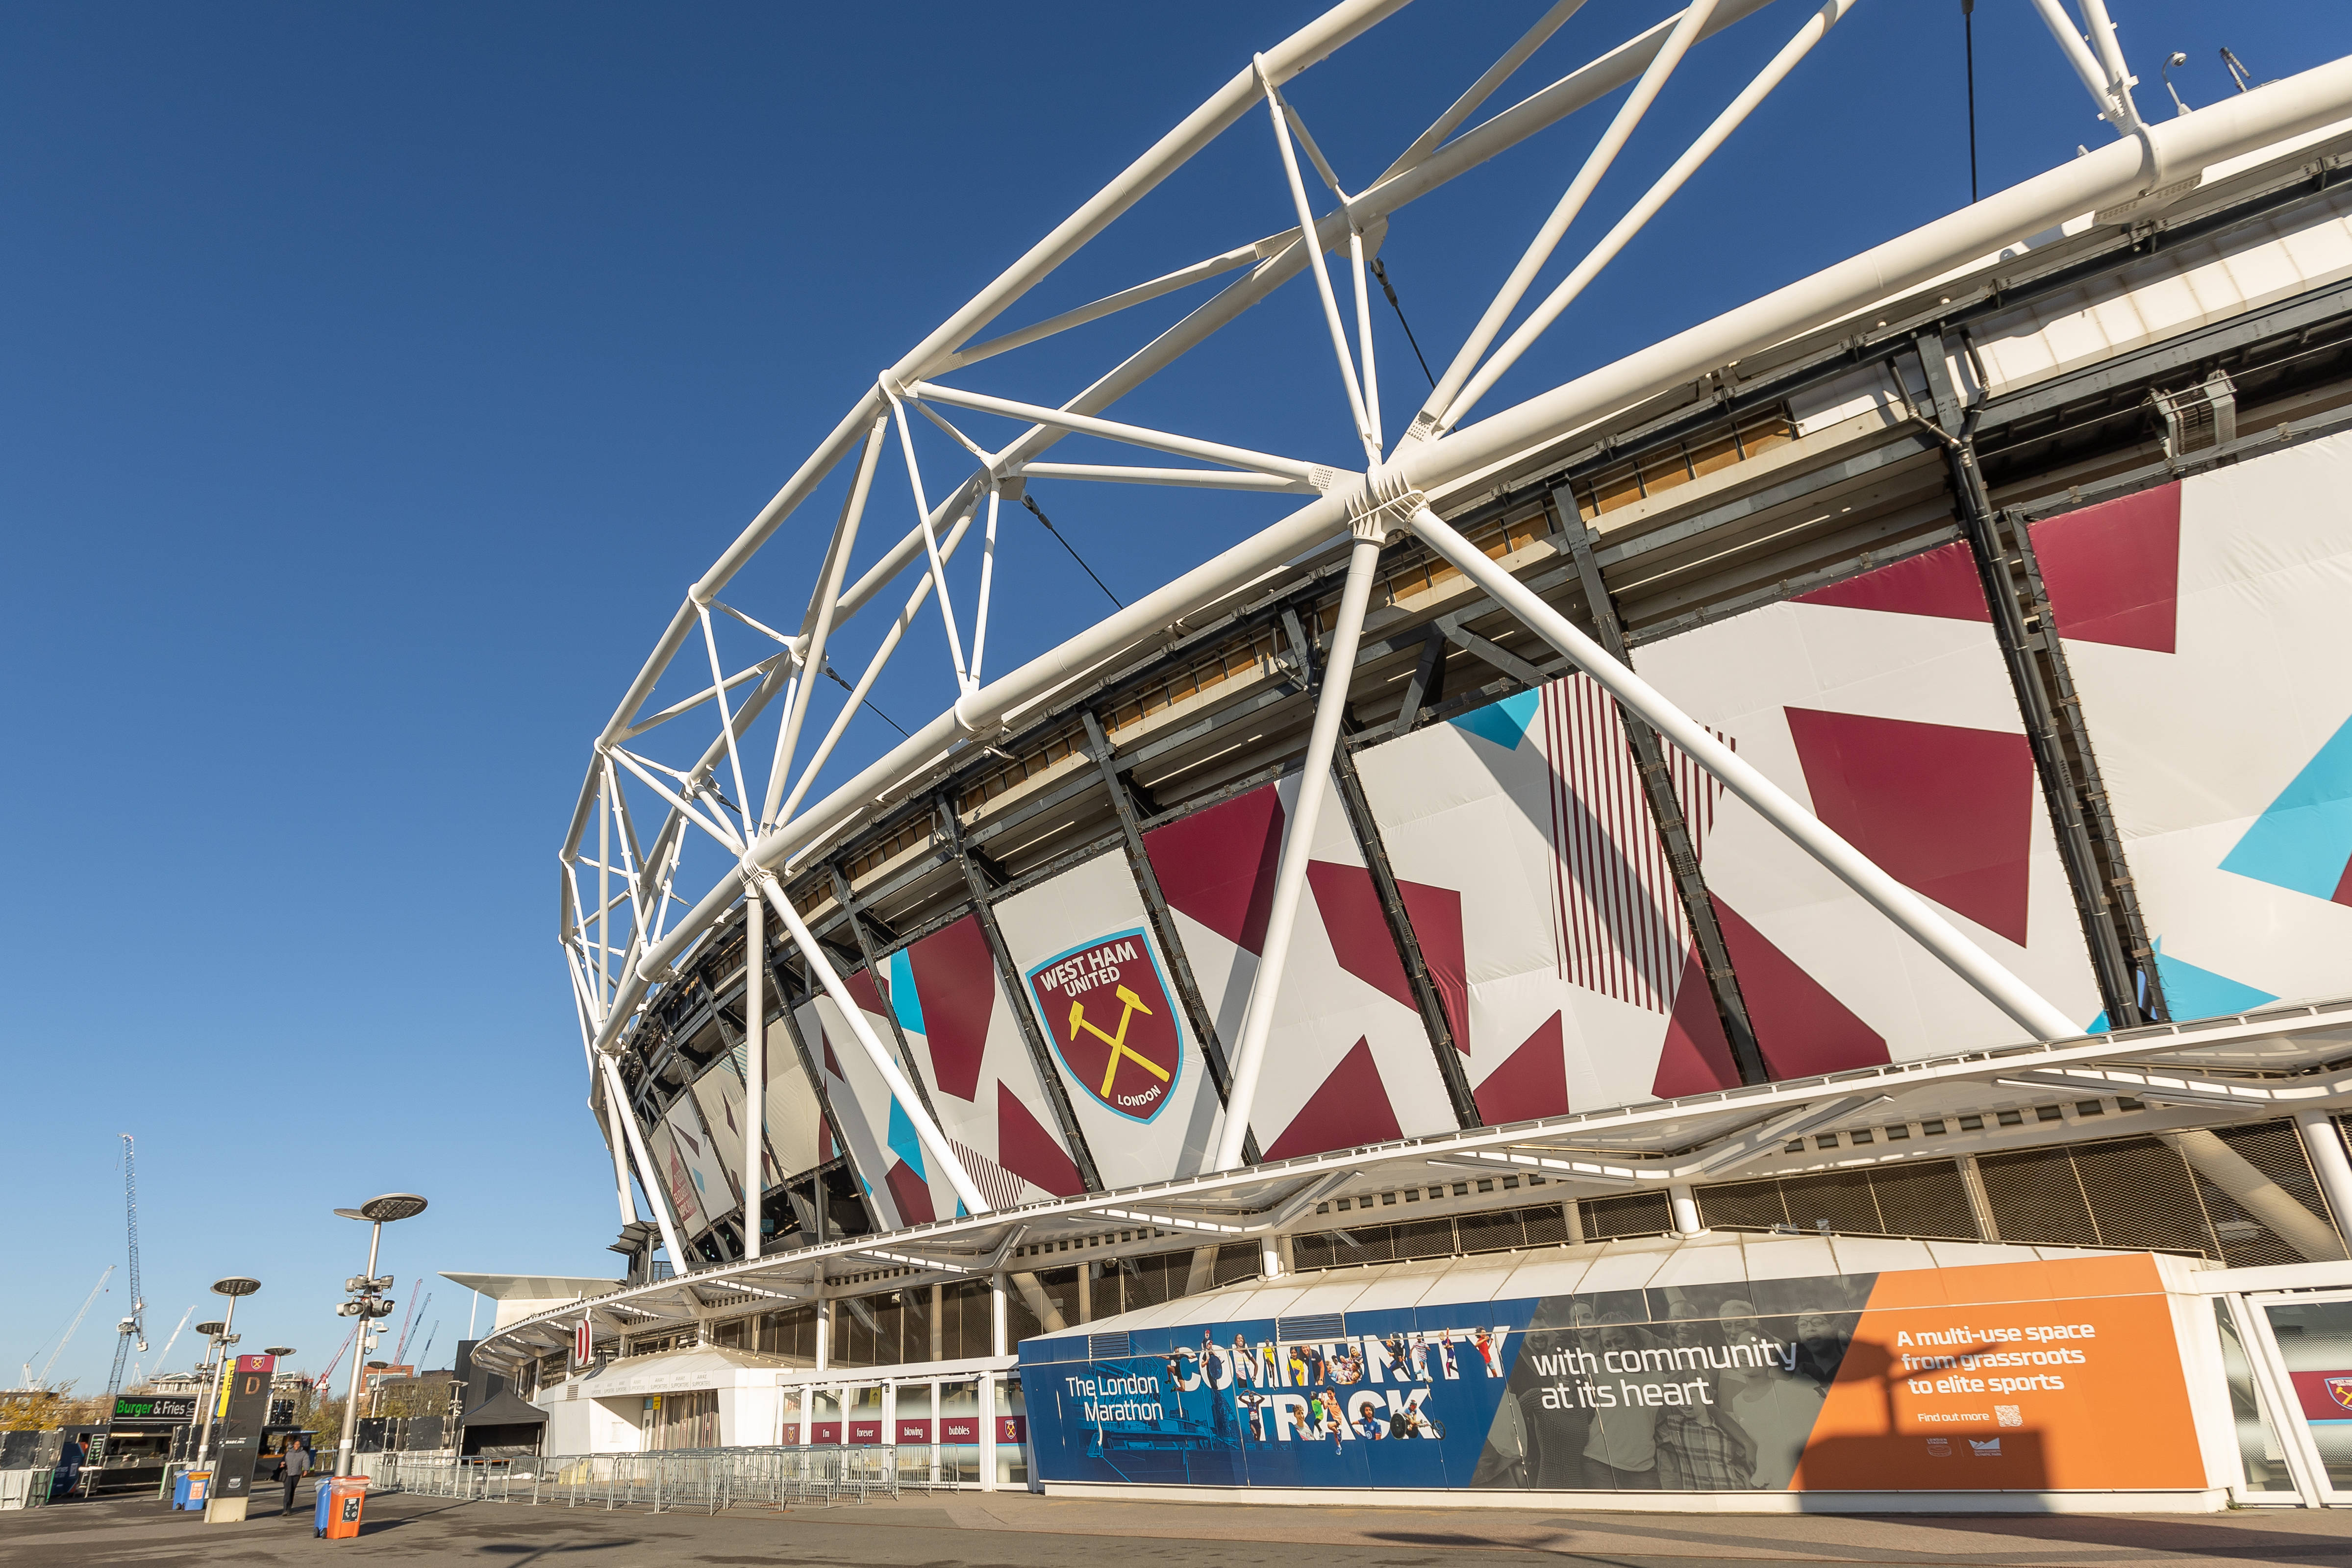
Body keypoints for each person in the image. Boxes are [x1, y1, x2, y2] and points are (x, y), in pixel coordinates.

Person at [279, 1436, 313, 1518]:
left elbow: (306, 1462)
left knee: (292, 1491)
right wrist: (282, 1464)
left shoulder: (303, 1453)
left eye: (299, 1444)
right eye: (296, 1444)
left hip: (296, 1474)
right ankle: (285, 1509)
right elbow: (283, 1461)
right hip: (287, 1474)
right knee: (288, 1491)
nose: (297, 1446)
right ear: (293, 1445)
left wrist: (306, 1470)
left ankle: (289, 1508)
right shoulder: (288, 1453)